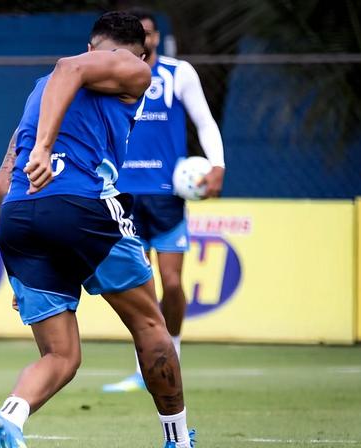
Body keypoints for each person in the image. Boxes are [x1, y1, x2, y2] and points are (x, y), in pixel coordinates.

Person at [0, 11, 194, 448]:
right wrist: (44, 149)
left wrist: (23, 266)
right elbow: (71, 68)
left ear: (90, 42)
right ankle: (178, 439)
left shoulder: (40, 92)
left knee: (61, 355)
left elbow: (2, 181)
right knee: (149, 323)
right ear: (137, 53)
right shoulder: (134, 68)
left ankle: (11, 415)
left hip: (20, 218)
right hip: (81, 205)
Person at [102, 8, 226, 394]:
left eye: (152, 33)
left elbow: (204, 121)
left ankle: (173, 352)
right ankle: (143, 368)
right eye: (141, 34)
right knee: (141, 287)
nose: (147, 40)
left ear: (155, 37)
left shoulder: (178, 73)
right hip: (124, 194)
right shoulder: (109, 74)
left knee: (171, 283)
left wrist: (217, 166)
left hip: (167, 194)